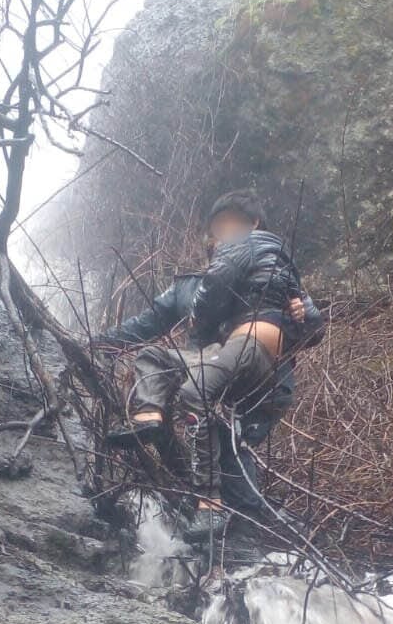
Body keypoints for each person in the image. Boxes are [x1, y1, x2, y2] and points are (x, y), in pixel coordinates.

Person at [99, 191, 324, 539]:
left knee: (229, 441)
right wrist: (98, 344)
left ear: (252, 226)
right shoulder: (191, 286)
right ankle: (150, 423)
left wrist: (306, 314)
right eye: (219, 231)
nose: (224, 239)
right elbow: (146, 324)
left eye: (232, 226)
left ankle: (235, 524)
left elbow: (309, 326)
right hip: (216, 365)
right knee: (163, 368)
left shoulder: (269, 274)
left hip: (261, 377)